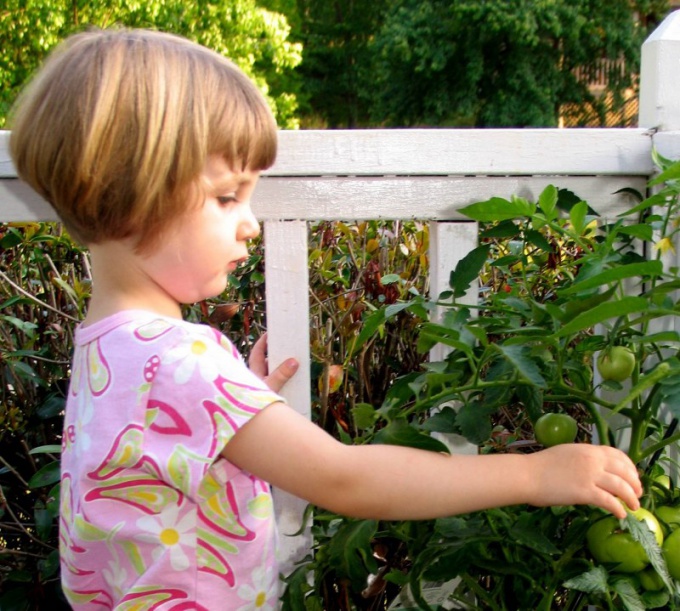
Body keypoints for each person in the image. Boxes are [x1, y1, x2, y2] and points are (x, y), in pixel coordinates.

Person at [9, 28, 642, 610]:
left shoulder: (105, 345)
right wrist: (534, 473)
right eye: (227, 196)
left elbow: (152, 472)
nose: (250, 222)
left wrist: (237, 406)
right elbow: (345, 478)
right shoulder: (182, 363)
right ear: (127, 194)